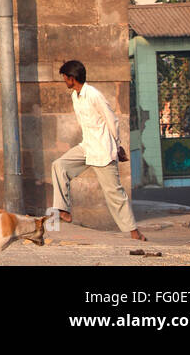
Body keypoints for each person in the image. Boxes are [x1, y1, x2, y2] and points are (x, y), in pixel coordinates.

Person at [50, 59, 145, 240]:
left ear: (72, 78)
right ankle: (63, 209)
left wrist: (117, 147)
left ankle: (134, 232)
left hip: (102, 150)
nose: (64, 80)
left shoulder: (94, 95)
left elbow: (112, 120)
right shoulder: (75, 96)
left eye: (65, 77)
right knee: (59, 165)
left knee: (115, 194)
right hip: (87, 147)